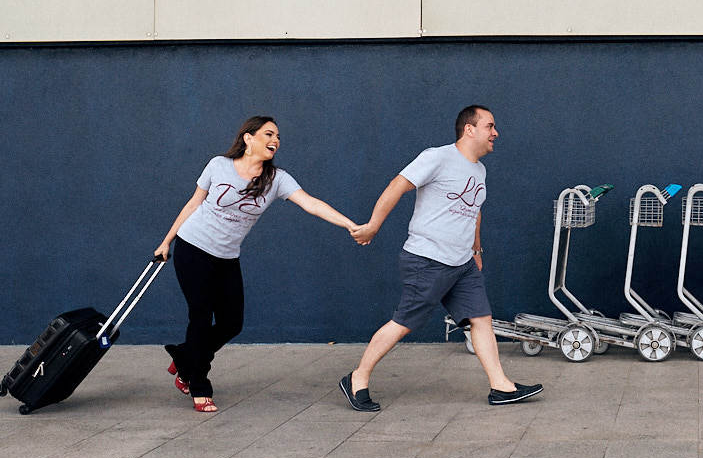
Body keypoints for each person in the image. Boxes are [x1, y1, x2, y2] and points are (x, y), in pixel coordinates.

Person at [155, 115, 362, 413]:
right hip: (193, 248)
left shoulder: (277, 179)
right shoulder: (218, 165)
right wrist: (166, 241)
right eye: (268, 134)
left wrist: (349, 225)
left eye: (277, 136)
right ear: (248, 138)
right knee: (200, 316)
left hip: (226, 256)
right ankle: (197, 383)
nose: (275, 140)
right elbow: (193, 203)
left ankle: (186, 357)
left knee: (231, 323)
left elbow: (311, 204)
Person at [341, 105, 542, 411]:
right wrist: (372, 226)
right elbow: (398, 185)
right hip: (428, 259)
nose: (495, 133)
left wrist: (476, 251)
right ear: (469, 129)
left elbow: (475, 212)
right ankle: (358, 377)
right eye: (490, 126)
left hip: (461, 263)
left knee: (481, 318)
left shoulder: (479, 170)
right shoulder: (437, 157)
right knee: (404, 323)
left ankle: (501, 386)